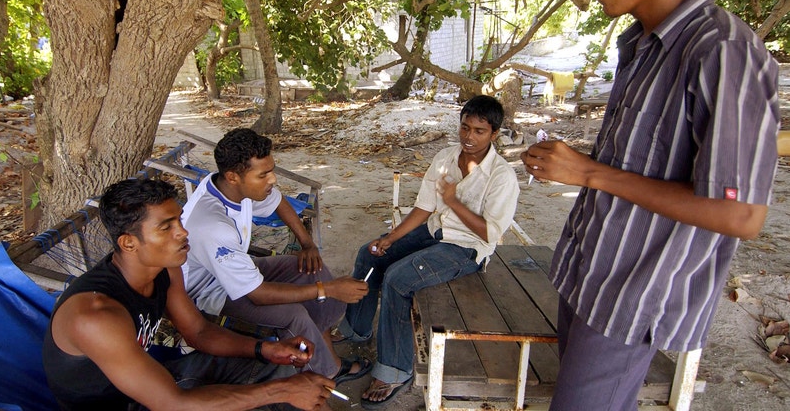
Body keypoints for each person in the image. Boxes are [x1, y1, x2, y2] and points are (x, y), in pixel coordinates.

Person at [520, 0, 780, 410]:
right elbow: (644, 162)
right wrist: (579, 164)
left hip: (630, 297)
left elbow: (740, 213)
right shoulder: (642, 44)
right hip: (587, 274)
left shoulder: (723, 49)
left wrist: (590, 173)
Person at [42, 178, 335, 410]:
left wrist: (264, 349)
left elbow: (198, 331)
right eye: (166, 227)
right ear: (129, 243)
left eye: (179, 221)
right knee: (281, 391)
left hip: (155, 384)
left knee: (283, 373)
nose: (183, 233)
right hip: (124, 403)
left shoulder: (165, 270)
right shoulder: (96, 316)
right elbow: (172, 404)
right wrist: (282, 391)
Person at [336, 95, 519, 408]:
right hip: (434, 230)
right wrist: (392, 237)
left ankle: (395, 370)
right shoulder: (447, 157)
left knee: (398, 279)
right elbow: (424, 207)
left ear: (494, 134)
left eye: (479, 131)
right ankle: (356, 331)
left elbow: (489, 233)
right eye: (465, 127)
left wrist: (455, 201)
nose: (469, 137)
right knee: (371, 254)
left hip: (466, 248)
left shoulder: (502, 177)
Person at [182, 128, 372, 386]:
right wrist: (328, 289)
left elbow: (279, 201)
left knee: (308, 269)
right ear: (233, 176)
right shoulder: (214, 225)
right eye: (263, 174)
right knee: (294, 314)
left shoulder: (228, 187)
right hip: (208, 290)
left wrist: (307, 244)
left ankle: (321, 350)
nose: (272, 179)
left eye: (271, 170)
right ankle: (324, 375)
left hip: (231, 270)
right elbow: (258, 295)